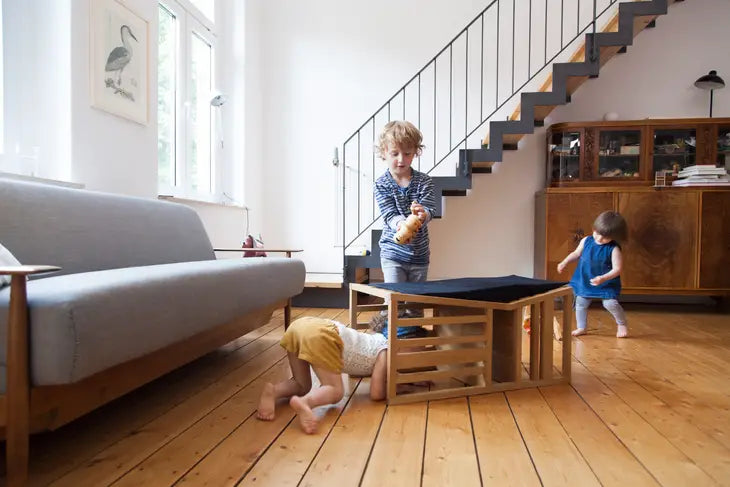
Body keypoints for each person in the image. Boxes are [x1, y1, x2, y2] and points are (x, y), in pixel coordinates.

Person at [256, 316, 388, 434]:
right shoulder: (384, 349)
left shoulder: (373, 340)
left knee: (301, 385)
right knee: (335, 391)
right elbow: (376, 393)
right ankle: (306, 402)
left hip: (299, 326)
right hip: (323, 334)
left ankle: (273, 391)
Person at [373, 121, 436, 338]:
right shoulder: (381, 184)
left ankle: (413, 340)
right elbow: (389, 214)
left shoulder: (424, 181)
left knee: (416, 303)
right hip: (393, 254)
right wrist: (403, 224)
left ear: (416, 153)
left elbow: (430, 211)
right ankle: (387, 338)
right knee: (394, 297)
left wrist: (422, 214)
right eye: (395, 153)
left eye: (407, 153)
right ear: (384, 153)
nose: (401, 159)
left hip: (419, 255)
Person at [557, 210, 629, 338]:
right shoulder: (586, 241)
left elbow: (617, 269)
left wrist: (603, 278)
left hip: (606, 282)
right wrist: (564, 262)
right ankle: (581, 327)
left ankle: (621, 323)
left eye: (605, 237)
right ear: (594, 228)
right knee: (580, 303)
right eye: (597, 233)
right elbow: (576, 254)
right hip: (586, 280)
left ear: (615, 236)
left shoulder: (613, 249)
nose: (600, 239)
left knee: (610, 304)